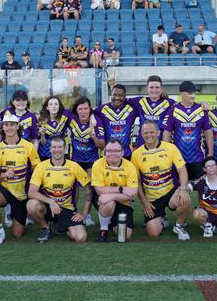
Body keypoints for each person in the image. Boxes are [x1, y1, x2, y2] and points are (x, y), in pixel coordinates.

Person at [132, 121, 192, 240]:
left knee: (185, 199)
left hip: (171, 191)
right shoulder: (136, 154)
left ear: (158, 132)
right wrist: (144, 203)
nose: (149, 135)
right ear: (141, 134)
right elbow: (137, 182)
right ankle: (160, 219)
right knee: (153, 233)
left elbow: (182, 170)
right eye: (145, 133)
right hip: (152, 197)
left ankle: (179, 226)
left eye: (152, 132)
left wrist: (183, 189)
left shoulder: (170, 147)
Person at [0, 114, 40, 244]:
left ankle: (23, 216)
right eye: (6, 125)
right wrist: (3, 175)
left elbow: (37, 170)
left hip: (21, 193)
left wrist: (32, 190)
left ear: (17, 127)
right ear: (2, 127)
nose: (9, 128)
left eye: (12, 124)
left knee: (17, 234)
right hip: (4, 188)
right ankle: (0, 232)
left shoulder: (28, 146)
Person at [27, 138, 91, 243]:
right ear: (50, 149)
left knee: (80, 238)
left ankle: (61, 227)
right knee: (31, 205)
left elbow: (89, 191)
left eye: (60, 147)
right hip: (48, 208)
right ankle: (46, 228)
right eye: (54, 147)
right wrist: (50, 201)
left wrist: (84, 214)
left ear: (65, 149)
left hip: (67, 209)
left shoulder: (74, 166)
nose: (57, 150)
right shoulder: (41, 166)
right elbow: (31, 192)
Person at [163, 81, 213, 181]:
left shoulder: (201, 109)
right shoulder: (173, 109)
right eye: (190, 93)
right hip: (178, 158)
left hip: (197, 158)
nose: (193, 95)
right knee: (178, 189)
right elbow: (166, 133)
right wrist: (167, 154)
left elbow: (208, 131)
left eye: (194, 93)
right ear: (181, 94)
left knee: (200, 188)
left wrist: (210, 153)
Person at [91, 139, 139, 242]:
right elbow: (99, 190)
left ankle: (111, 221)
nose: (112, 154)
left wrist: (111, 196)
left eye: (116, 151)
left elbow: (133, 194)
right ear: (105, 152)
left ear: (122, 152)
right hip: (105, 200)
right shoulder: (98, 164)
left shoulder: (130, 166)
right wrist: (122, 189)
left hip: (123, 202)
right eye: (109, 151)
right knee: (108, 203)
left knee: (125, 236)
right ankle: (103, 229)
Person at [68, 97, 105, 227]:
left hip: (91, 161)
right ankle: (72, 212)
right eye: (80, 109)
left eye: (86, 108)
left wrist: (94, 137)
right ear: (76, 110)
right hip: (75, 160)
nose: (83, 111)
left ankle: (86, 215)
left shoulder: (96, 121)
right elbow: (57, 112)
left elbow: (102, 145)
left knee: (90, 188)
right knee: (74, 189)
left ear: (90, 109)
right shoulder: (71, 117)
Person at [93, 84, 138, 159]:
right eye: (114, 95)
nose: (117, 98)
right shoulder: (101, 110)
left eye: (120, 95)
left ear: (124, 97)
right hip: (108, 154)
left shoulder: (132, 109)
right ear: (111, 95)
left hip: (126, 154)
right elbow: (89, 112)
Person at [37, 96, 72, 160]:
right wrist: (42, 135)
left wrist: (92, 116)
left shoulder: (65, 117)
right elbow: (42, 143)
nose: (54, 106)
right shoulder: (42, 121)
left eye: (56, 104)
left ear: (59, 106)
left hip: (61, 153)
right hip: (46, 154)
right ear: (47, 107)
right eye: (51, 104)